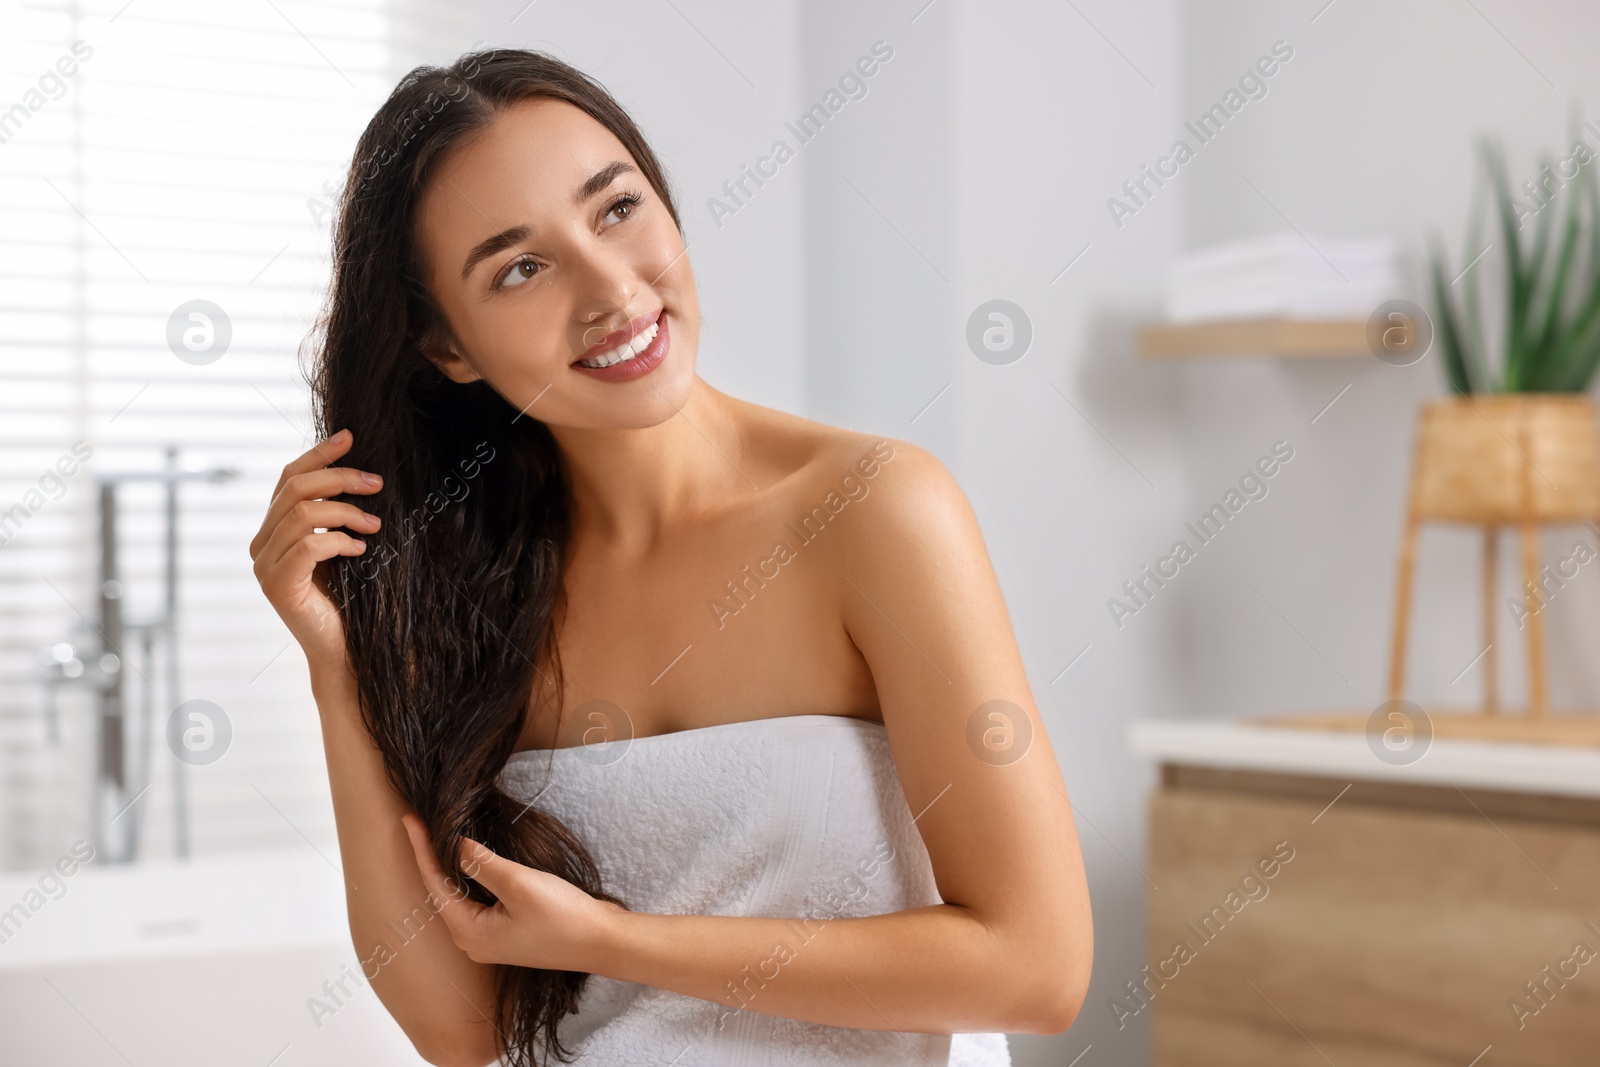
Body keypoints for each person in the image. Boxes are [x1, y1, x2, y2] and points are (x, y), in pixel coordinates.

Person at [250, 47, 1091, 1067]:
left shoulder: (872, 512)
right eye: (520, 267)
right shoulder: (468, 589)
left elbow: (1035, 966)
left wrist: (614, 942)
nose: (611, 288)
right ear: (447, 347)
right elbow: (459, 1027)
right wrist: (337, 663)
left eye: (615, 209)